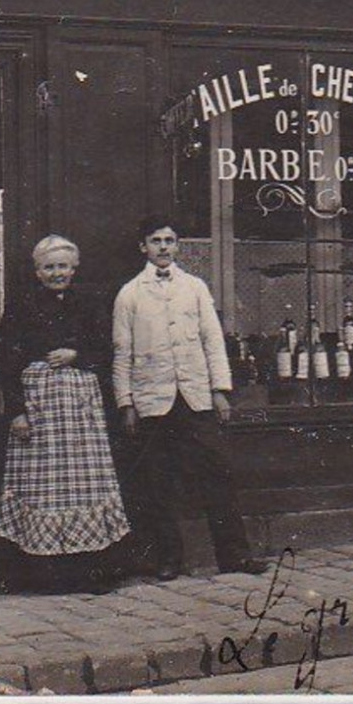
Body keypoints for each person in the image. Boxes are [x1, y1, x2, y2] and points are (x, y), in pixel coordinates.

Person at [113, 215, 267, 580]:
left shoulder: (195, 287)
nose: (163, 247)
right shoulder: (130, 294)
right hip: (154, 400)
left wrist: (219, 392)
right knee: (158, 482)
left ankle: (234, 556)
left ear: (178, 245)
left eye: (169, 240)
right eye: (155, 241)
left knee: (217, 475)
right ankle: (169, 559)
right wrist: (127, 403)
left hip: (195, 397)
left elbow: (213, 341)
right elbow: (122, 352)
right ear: (143, 247)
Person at [0, 235, 129, 593]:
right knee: (44, 487)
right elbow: (7, 361)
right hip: (40, 408)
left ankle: (90, 571)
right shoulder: (21, 306)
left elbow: (106, 349)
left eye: (63, 266)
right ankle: (46, 575)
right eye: (49, 267)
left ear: (74, 268)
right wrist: (16, 413)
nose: (57, 273)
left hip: (81, 410)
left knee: (85, 484)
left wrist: (76, 354)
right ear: (37, 271)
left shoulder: (90, 302)